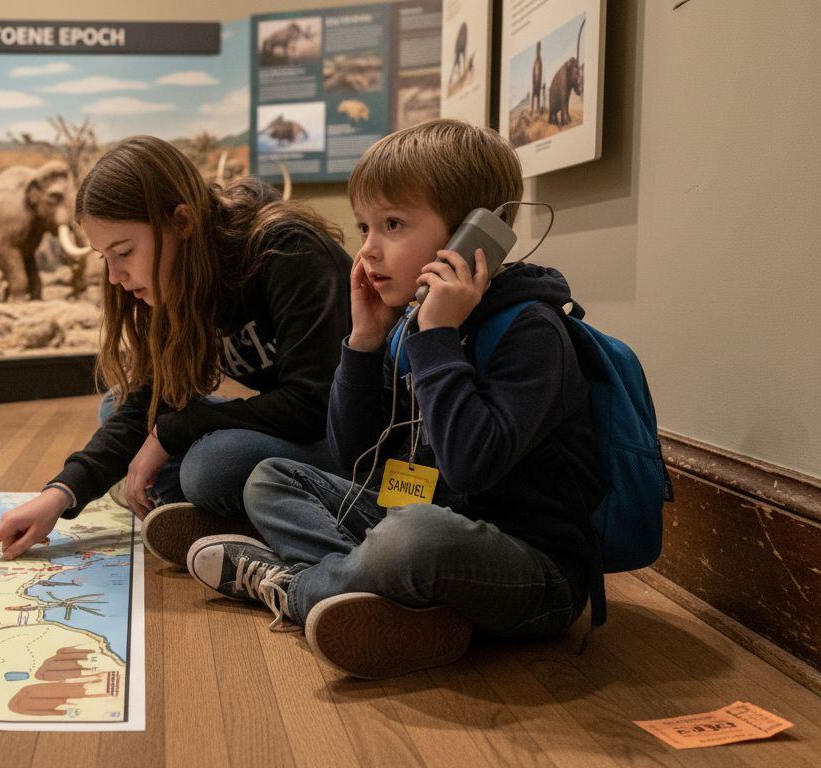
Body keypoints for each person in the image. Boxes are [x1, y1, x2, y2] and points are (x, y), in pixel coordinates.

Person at [187, 119, 602, 679]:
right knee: (271, 479)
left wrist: (437, 340)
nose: (369, 249)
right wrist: (363, 342)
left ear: (473, 235)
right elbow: (359, 459)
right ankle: (390, 601)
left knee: (413, 537)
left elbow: (471, 466)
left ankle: (298, 587)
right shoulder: (410, 324)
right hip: (424, 515)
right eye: (364, 226)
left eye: (393, 224)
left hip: (532, 572)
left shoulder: (531, 331)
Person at [0, 135, 351, 566]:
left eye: (125, 251)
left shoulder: (288, 250)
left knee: (210, 465)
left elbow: (313, 405)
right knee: (119, 407)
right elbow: (154, 397)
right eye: (104, 257)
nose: (114, 276)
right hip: (293, 426)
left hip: (351, 434)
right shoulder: (179, 277)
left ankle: (227, 517)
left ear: (182, 222)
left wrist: (173, 431)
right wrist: (61, 493)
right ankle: (214, 513)